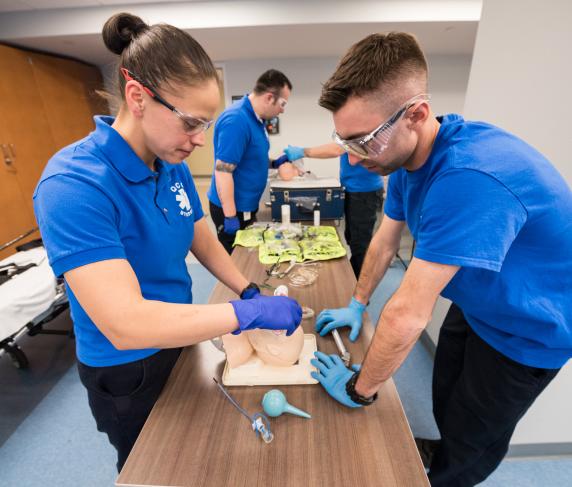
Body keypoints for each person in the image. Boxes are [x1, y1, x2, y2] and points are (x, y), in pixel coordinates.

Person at [32, 13, 302, 473]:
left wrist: (246, 289)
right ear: (138, 97)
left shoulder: (167, 160)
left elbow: (198, 231)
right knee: (151, 465)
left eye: (208, 125)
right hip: (127, 365)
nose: (200, 141)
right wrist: (244, 315)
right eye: (192, 123)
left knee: (191, 448)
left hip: (180, 332)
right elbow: (126, 322)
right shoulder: (74, 185)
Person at [309, 32, 572, 486]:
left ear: (417, 114)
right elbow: (385, 239)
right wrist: (358, 301)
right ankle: (444, 446)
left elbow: (409, 314)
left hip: (530, 329)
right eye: (345, 141)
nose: (353, 157)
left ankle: (449, 474)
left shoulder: (468, 175)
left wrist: (360, 390)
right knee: (446, 395)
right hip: (480, 305)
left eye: (364, 141)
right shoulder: (407, 160)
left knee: (474, 437)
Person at [207, 69, 294, 253]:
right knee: (237, 263)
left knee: (249, 257)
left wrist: (274, 162)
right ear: (269, 98)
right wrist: (230, 216)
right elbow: (223, 171)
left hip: (246, 206)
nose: (283, 110)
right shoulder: (236, 120)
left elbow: (250, 157)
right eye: (282, 103)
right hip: (231, 209)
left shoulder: (257, 120)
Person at [282, 143, 384, 277]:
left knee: (360, 246)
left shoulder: (361, 126)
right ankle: (353, 280)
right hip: (352, 189)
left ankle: (359, 291)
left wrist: (303, 151)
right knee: (352, 239)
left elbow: (337, 149)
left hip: (364, 192)